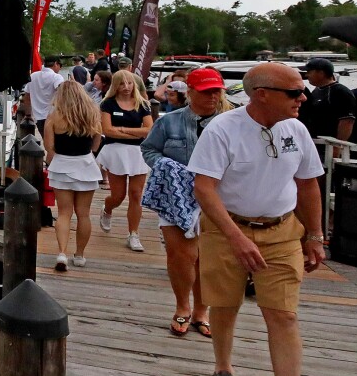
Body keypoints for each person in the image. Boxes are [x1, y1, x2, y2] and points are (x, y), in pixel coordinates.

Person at [189, 62, 327, 376]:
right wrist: (236, 237)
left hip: (282, 231)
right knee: (224, 302)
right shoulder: (222, 130)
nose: (303, 97)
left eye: (303, 91)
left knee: (283, 315)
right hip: (226, 229)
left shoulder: (297, 129)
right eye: (295, 92)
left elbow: (309, 184)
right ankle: (223, 368)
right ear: (262, 94)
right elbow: (204, 188)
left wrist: (314, 235)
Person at [142, 67, 229, 338]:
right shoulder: (168, 122)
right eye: (206, 91)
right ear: (189, 92)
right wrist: (168, 169)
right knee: (181, 256)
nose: (213, 96)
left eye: (217, 91)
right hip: (176, 197)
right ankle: (182, 306)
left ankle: (202, 311)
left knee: (208, 257)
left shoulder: (230, 123)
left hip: (218, 196)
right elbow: (149, 149)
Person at [44, 80, 102, 272]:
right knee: (83, 214)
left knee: (63, 213)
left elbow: (49, 147)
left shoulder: (54, 117)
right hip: (85, 164)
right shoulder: (93, 114)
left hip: (62, 164)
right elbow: (96, 143)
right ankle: (80, 255)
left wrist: (51, 162)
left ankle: (62, 252)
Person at [98, 69, 154, 252]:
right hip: (116, 152)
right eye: (122, 83)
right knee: (118, 195)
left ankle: (133, 234)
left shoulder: (142, 104)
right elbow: (107, 130)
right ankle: (107, 208)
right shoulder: (108, 104)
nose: (127, 87)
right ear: (116, 86)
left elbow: (149, 130)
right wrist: (134, 132)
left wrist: (122, 130)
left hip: (137, 152)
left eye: (130, 83)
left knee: (136, 194)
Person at [297, 58, 355, 157]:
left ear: (321, 73)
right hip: (314, 143)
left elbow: (347, 122)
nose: (306, 75)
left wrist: (337, 147)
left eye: (309, 72)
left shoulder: (340, 92)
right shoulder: (317, 90)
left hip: (328, 145)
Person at [26, 55, 66, 137]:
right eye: (60, 66)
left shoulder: (33, 76)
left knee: (48, 143)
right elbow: (62, 93)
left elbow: (27, 97)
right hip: (54, 116)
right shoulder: (56, 77)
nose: (60, 68)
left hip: (39, 118)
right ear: (55, 64)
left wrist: (28, 114)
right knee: (59, 144)